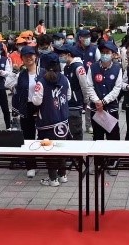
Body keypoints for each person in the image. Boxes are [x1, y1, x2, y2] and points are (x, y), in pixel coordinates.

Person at [31, 53, 72, 186]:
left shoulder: (41, 81)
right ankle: (63, 175)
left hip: (47, 121)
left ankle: (53, 179)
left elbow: (36, 101)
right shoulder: (65, 79)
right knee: (61, 149)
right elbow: (69, 96)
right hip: (63, 121)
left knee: (49, 151)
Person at [9, 46, 42, 178]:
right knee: (28, 137)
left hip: (41, 107)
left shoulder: (43, 72)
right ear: (21, 58)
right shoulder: (21, 74)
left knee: (44, 135)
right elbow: (8, 85)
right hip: (26, 107)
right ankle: (31, 165)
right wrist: (14, 71)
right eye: (25, 56)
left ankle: (48, 162)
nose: (29, 58)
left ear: (36, 56)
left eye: (31, 55)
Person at [85, 40, 122, 144]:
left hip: (111, 108)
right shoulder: (93, 67)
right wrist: (97, 101)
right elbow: (89, 86)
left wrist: (104, 101)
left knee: (113, 138)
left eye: (107, 52)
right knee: (98, 138)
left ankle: (112, 156)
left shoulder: (117, 68)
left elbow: (117, 88)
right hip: (96, 108)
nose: (105, 55)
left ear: (113, 54)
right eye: (103, 52)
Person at [58, 44, 90, 141]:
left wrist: (86, 100)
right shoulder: (66, 67)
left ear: (68, 54)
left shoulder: (78, 67)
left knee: (76, 130)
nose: (60, 57)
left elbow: (84, 85)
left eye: (62, 55)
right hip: (67, 103)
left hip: (76, 103)